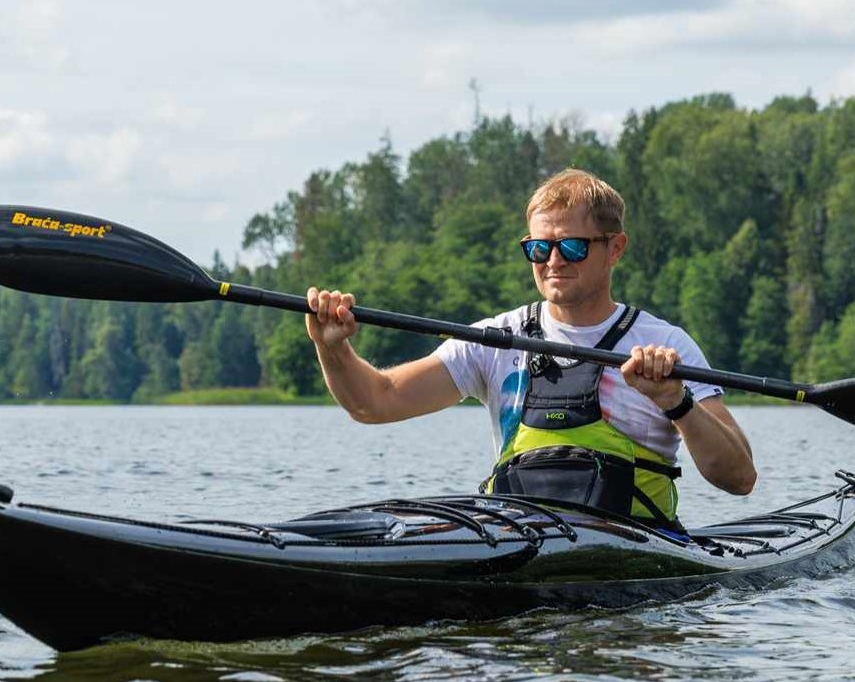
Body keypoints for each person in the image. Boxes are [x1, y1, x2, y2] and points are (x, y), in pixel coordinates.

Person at [305, 168, 756, 530]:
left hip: (631, 549)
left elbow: (739, 478)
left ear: (615, 248)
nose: (553, 261)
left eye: (572, 247)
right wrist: (333, 350)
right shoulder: (494, 339)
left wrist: (675, 401)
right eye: (539, 248)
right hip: (517, 540)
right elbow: (376, 402)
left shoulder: (666, 346)